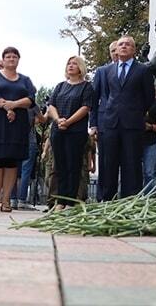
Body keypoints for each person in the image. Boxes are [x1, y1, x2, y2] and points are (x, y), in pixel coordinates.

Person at [93, 35, 154, 199]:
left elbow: (149, 98)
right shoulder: (108, 71)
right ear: (116, 49)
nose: (124, 47)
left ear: (134, 49)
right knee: (108, 164)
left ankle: (130, 201)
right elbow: (105, 95)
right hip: (111, 124)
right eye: (121, 44)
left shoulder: (143, 70)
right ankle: (107, 201)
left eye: (128, 44)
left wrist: (136, 112)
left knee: (132, 165)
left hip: (133, 125)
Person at [0, 47, 36, 212]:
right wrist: (6, 107)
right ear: (3, 59)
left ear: (18, 60)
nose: (11, 59)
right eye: (8, 57)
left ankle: (6, 200)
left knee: (12, 162)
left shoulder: (25, 79)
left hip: (17, 125)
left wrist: (15, 105)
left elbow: (31, 98)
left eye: (14, 57)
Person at [45, 55, 94, 209]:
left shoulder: (86, 87)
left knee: (73, 166)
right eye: (69, 63)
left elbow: (85, 108)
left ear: (81, 68)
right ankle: (60, 201)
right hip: (58, 130)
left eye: (74, 63)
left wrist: (69, 121)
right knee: (60, 166)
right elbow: (51, 105)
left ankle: (70, 201)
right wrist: (58, 119)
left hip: (76, 131)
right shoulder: (60, 86)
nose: (71, 66)